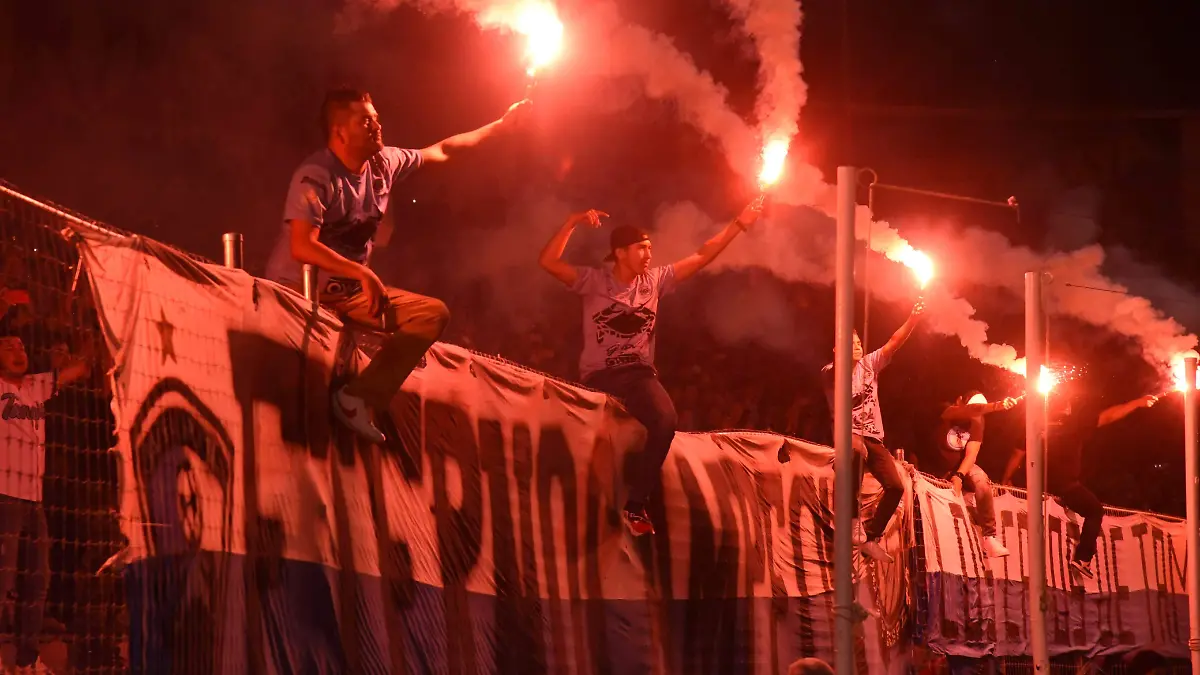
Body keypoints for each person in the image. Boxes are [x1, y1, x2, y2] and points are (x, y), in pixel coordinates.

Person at [264, 88, 530, 443]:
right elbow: (301, 245)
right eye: (365, 119)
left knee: (431, 314)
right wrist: (361, 272)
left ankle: (356, 399)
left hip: (351, 295)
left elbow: (443, 150)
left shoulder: (383, 164)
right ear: (340, 131)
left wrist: (502, 126)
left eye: (376, 117)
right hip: (296, 291)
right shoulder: (315, 174)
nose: (377, 125)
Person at [539, 202, 763, 535]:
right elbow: (548, 262)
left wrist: (738, 224)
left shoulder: (654, 281)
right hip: (598, 376)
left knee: (665, 420)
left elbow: (703, 255)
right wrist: (571, 222)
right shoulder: (594, 281)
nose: (648, 253)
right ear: (619, 252)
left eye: (650, 247)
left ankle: (635, 505)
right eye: (642, 247)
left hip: (637, 375)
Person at [0, 332, 90, 672]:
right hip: (3, 496)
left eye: (22, 345)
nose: (17, 350)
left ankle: (26, 660)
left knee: (38, 581)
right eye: (7, 347)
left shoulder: (37, 386)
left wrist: (90, 335)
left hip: (34, 502)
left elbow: (79, 369)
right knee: (3, 580)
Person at [821, 300, 925, 562]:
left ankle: (871, 536)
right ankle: (853, 519)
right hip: (850, 433)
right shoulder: (831, 372)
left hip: (875, 436)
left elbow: (894, 341)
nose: (858, 345)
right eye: (851, 343)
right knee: (854, 452)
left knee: (895, 486)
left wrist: (913, 318)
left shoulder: (869, 365)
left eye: (858, 342)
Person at [1041, 385, 1158, 581]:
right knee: (1095, 510)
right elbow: (1109, 416)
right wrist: (1137, 403)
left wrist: (1007, 477)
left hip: (1044, 482)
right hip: (1065, 483)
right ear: (1067, 408)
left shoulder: (1039, 425)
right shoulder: (1072, 424)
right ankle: (1083, 559)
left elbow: (1018, 452)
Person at [938, 390, 1020, 558]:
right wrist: (997, 405)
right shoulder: (947, 410)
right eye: (976, 409)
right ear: (960, 401)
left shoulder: (977, 421)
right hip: (937, 466)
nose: (977, 414)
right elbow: (971, 410)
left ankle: (989, 537)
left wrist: (960, 475)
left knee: (982, 481)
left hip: (960, 466)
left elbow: (971, 454)